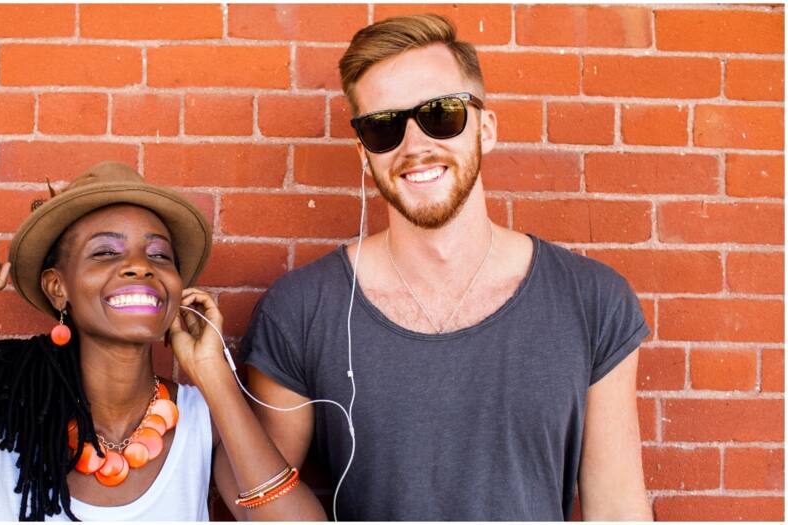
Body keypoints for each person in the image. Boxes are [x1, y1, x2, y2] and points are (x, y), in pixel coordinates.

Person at [239, 14, 654, 521]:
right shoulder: (303, 309)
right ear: (364, 151)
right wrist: (214, 382)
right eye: (383, 127)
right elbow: (259, 501)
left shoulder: (591, 303)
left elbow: (617, 511)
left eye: (441, 114)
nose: (415, 146)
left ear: (486, 127)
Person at [0, 161, 326, 521]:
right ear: (57, 287)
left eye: (160, 255)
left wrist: (212, 377)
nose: (140, 266)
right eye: (106, 253)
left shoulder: (202, 421)